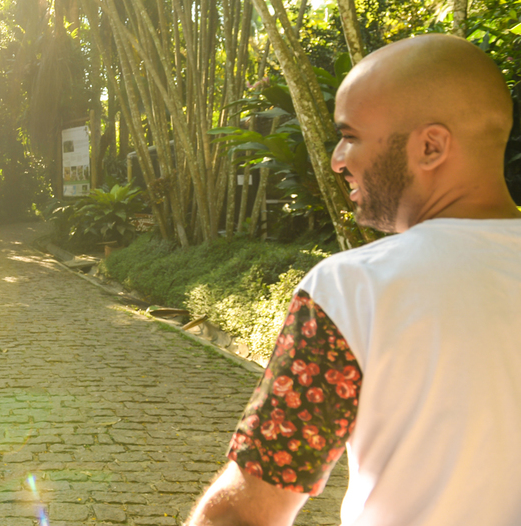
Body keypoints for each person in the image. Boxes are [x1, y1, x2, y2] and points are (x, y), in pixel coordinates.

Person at [186, 34, 521, 526]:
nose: (337, 159)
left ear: (431, 146)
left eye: (351, 135)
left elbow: (241, 515)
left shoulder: (354, 290)